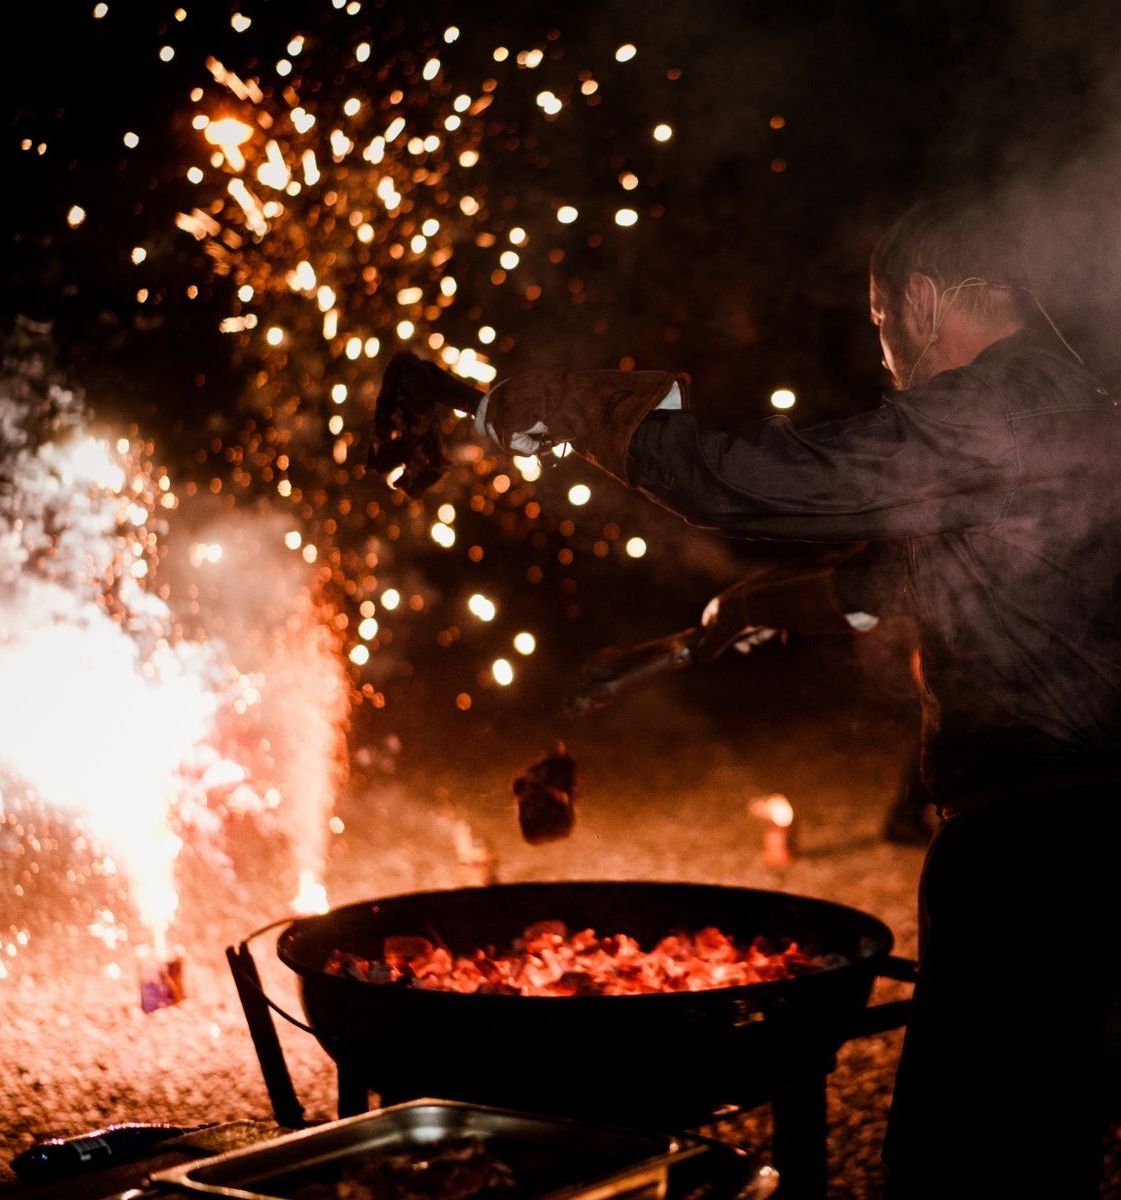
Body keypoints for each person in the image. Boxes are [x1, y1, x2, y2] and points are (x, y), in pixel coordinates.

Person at [474, 194, 1121, 1199]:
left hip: (1034, 850)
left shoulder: (996, 407)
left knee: (970, 1164)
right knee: (1045, 1139)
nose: (885, 356)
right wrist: (763, 609)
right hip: (1077, 838)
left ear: (923, 299)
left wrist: (586, 409)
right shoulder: (1065, 402)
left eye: (880, 326)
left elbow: (760, 485)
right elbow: (920, 577)